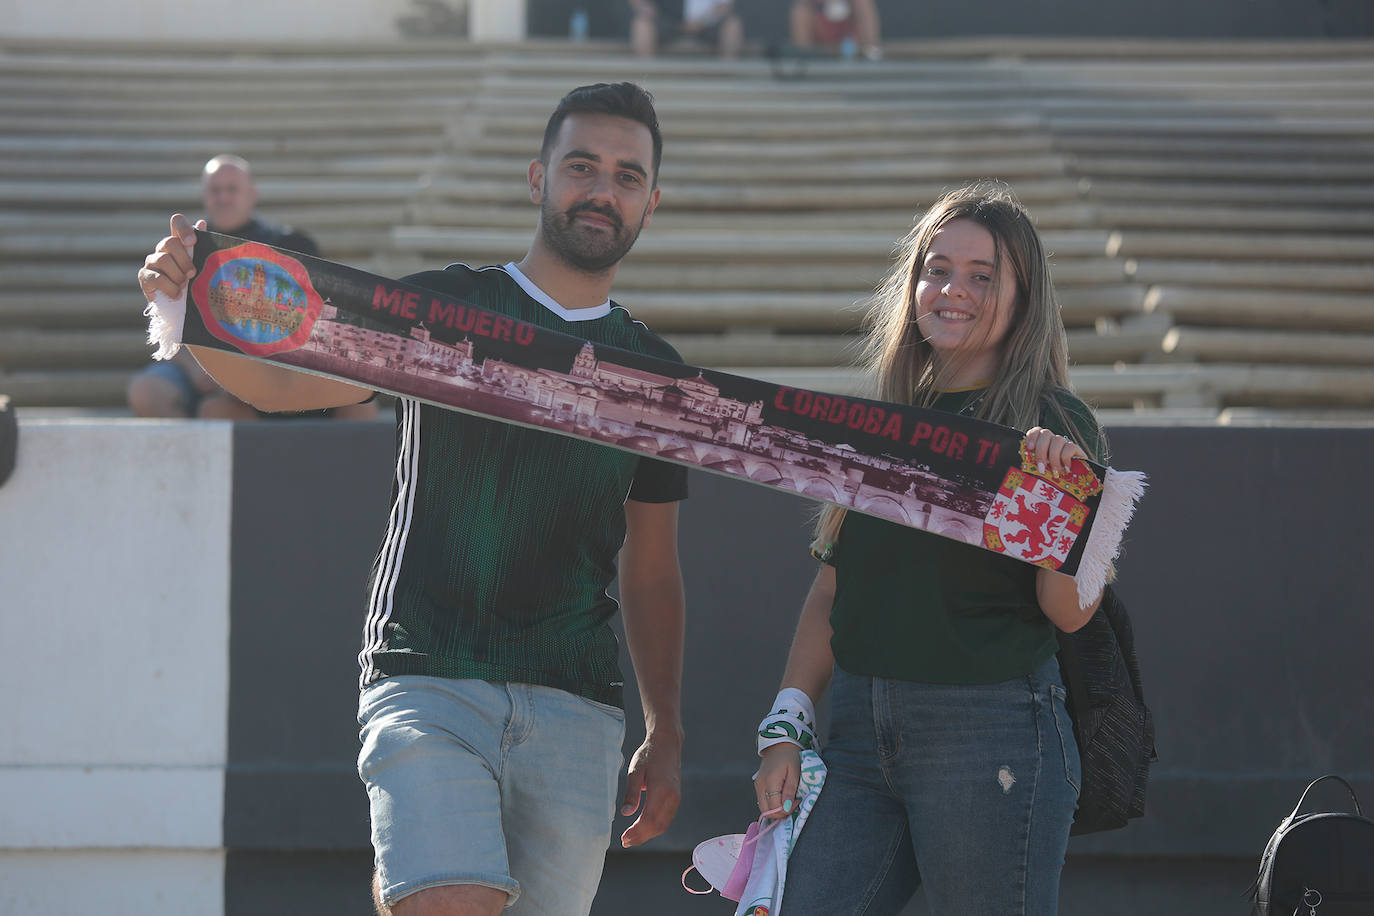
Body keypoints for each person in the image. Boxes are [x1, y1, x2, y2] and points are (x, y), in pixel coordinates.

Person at [137, 83, 688, 916]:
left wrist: (667, 729)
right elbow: (290, 385)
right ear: (537, 178)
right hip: (428, 669)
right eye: (582, 166)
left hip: (577, 702)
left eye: (626, 175)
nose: (602, 189)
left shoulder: (657, 371)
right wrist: (185, 308)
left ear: (652, 200)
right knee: (448, 900)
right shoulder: (442, 308)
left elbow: (652, 569)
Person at [750, 183, 1106, 914]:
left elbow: (1068, 614)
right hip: (853, 739)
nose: (954, 290)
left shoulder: (1055, 421)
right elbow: (834, 590)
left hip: (991, 737)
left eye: (984, 275)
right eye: (938, 268)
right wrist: (785, 727)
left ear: (1025, 297)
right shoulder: (882, 422)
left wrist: (1052, 498)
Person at [127, 154, 377, 421]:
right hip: (204, 363)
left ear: (252, 194)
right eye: (215, 190)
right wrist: (196, 368)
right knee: (148, 391)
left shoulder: (292, 244)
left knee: (360, 401)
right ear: (204, 196)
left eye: (232, 189)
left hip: (276, 364)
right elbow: (166, 331)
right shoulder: (187, 249)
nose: (223, 197)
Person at [629, 0, 744, 59]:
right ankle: (646, 72)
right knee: (642, 24)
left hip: (706, 24)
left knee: (733, 25)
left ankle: (728, 72)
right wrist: (647, 9)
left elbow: (725, 5)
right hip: (669, 23)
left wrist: (702, 21)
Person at [790, 0, 882, 60]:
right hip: (819, 40)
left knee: (864, 3)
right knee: (801, 11)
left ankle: (872, 52)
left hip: (851, 41)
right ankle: (804, 58)